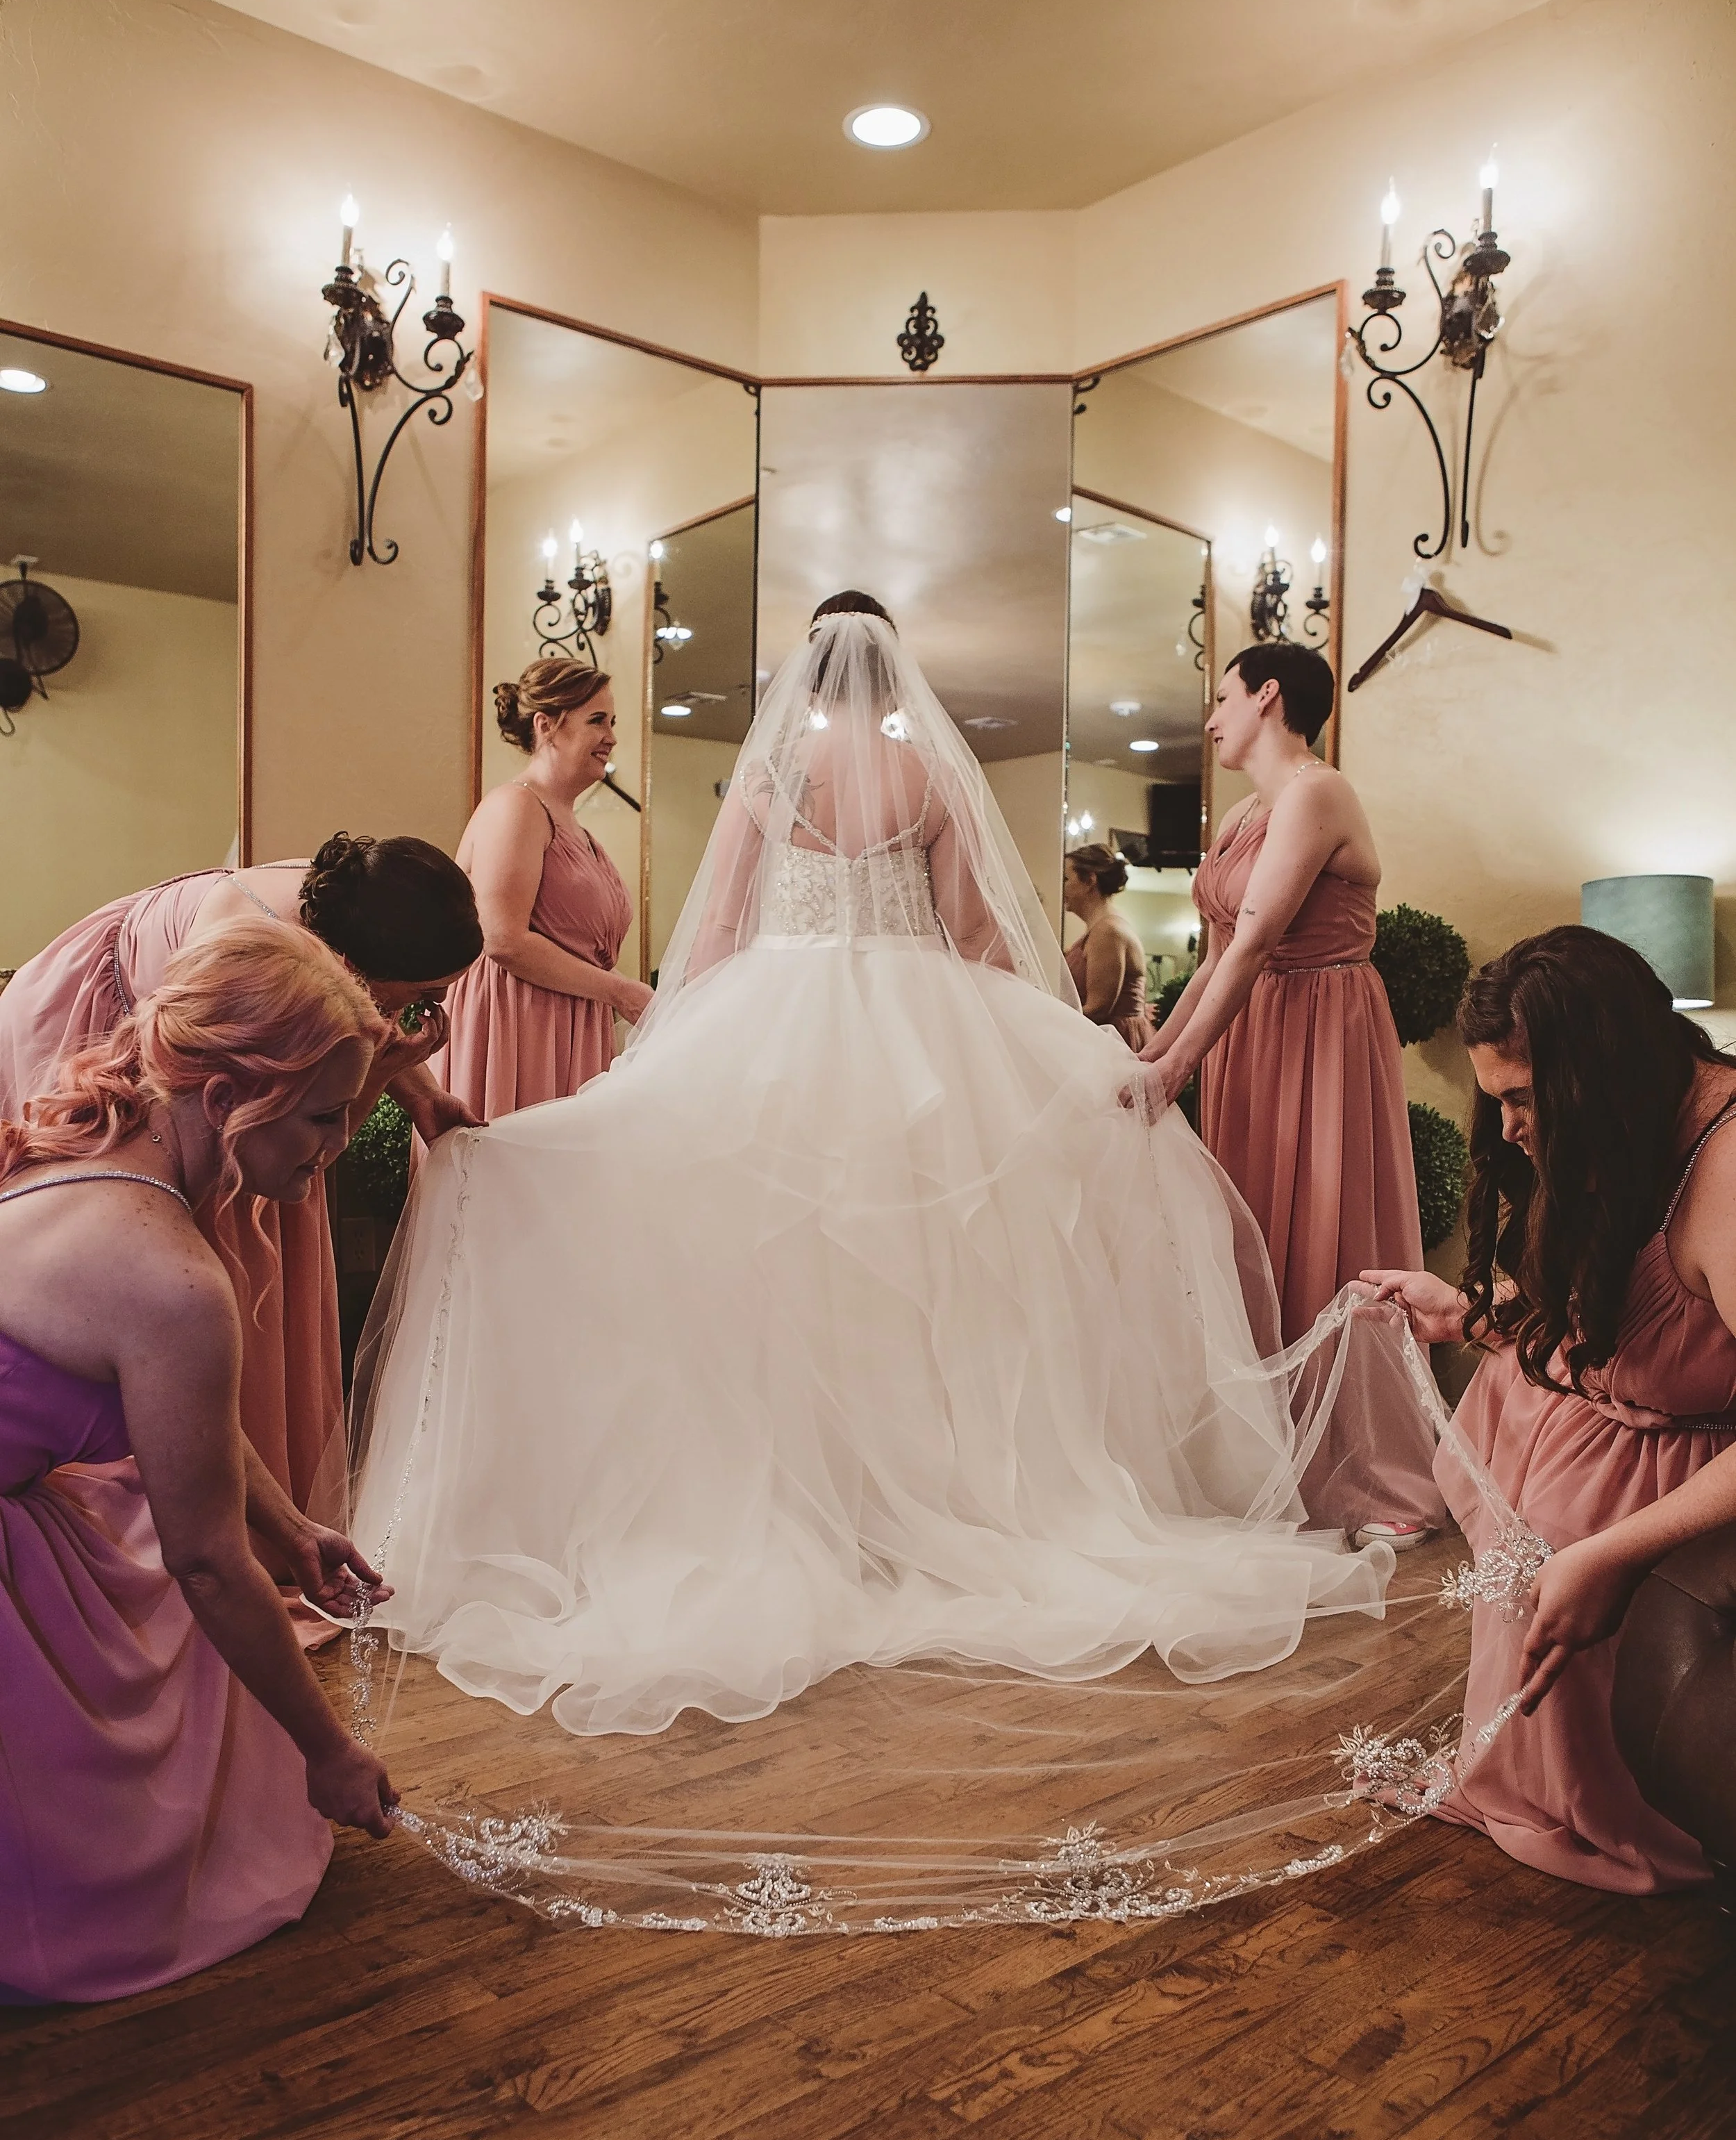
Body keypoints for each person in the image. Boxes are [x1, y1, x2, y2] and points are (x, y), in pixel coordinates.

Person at [349, 595, 1438, 1752]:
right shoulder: (922, 780)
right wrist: (1037, 1036)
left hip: (780, 1011)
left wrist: (664, 1043)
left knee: (782, 1258)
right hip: (919, 1022)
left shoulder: (770, 782)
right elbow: (973, 928)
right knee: (938, 1267)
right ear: (895, 678)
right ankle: (937, 1489)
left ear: (811, 682)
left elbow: (718, 931)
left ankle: (815, 1496)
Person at [0, 924, 398, 2005]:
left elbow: (187, 1424)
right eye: (322, 1118)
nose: (331, 1149)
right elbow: (210, 1562)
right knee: (182, 1568)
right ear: (227, 1097)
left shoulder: (87, 1154)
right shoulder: (170, 1273)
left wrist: (296, 1529)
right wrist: (330, 1751)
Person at [1363, 924, 1736, 1893]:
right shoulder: (1635, 1117)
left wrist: (1611, 1551)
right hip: (1585, 1427)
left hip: (1681, 1478)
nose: (1512, 1128)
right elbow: (1625, 1332)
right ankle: (1520, 1780)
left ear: (1598, 1066)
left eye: (1523, 1098)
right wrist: (1477, 1316)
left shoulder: (1730, 1172)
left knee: (1565, 1538)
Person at [0, 834, 484, 1525]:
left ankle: (278, 1509)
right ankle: (201, 1511)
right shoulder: (249, 941)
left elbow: (347, 1023)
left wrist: (424, 1098)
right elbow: (252, 1121)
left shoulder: (353, 911)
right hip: (124, 1026)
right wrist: (382, 1075)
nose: (432, 1005)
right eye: (425, 994)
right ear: (361, 966)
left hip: (242, 1064)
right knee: (206, 1259)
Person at [1137, 642, 1423, 1349]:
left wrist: (1178, 1070)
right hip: (1251, 1031)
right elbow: (1215, 958)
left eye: (1221, 699)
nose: (1210, 721)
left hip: (1317, 1028)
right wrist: (1156, 1052)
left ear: (1266, 695)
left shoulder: (1317, 792)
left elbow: (1258, 940)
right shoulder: (1240, 817)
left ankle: (1323, 1430)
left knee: (1320, 1213)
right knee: (1250, 1219)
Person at [435, 658, 650, 1121]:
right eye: (597, 720)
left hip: (572, 1024)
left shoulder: (575, 826)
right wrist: (621, 992)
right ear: (547, 725)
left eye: (613, 722)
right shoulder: (515, 806)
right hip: (517, 1022)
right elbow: (502, 939)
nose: (611, 736)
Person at [1062, 844, 1149, 1050]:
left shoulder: (1108, 932)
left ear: (1090, 880)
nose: (1062, 887)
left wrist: (1047, 1025)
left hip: (1114, 1043)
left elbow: (1099, 1008)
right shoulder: (1100, 929)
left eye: (1067, 879)